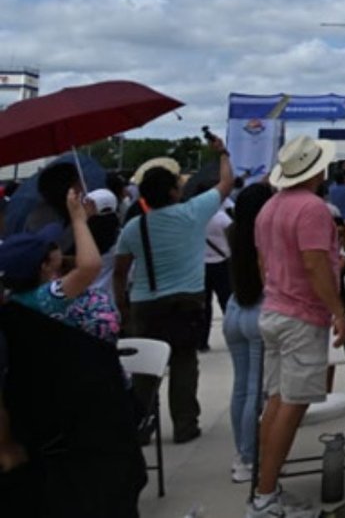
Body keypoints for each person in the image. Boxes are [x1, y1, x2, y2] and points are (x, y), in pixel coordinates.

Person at [113, 138, 234, 447]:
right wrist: (222, 153)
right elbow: (226, 184)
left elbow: (120, 271)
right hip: (186, 301)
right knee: (183, 363)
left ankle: (142, 425)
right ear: (171, 192)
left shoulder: (134, 227)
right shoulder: (192, 213)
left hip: (144, 303)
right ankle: (184, 424)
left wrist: (121, 305)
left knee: (144, 370)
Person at [249, 137, 345, 518]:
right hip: (301, 315)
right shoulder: (312, 209)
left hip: (274, 308)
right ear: (316, 170)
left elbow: (263, 263)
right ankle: (266, 497)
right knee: (292, 405)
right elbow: (314, 264)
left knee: (276, 401)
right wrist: (337, 311)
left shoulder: (269, 208)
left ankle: (266, 487)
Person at [0, 189, 114, 342]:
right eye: (52, 245)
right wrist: (79, 220)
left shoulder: (14, 298)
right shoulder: (44, 297)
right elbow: (90, 267)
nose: (57, 246)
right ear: (45, 265)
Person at [223, 183, 273, 485]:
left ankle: (241, 454)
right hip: (259, 310)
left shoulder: (233, 232)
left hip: (235, 308)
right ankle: (249, 456)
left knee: (241, 386)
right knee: (256, 389)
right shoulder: (265, 237)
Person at [202, 197, 232, 352]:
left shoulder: (196, 217)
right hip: (221, 262)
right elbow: (231, 237)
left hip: (202, 264)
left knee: (204, 305)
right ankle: (232, 335)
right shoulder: (221, 217)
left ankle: (202, 341)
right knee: (227, 302)